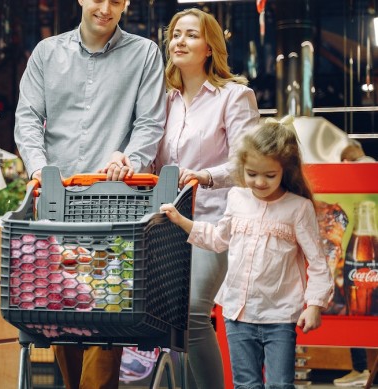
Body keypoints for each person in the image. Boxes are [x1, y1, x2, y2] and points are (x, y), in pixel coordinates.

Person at [14, 0, 167, 387]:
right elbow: (28, 117)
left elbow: (150, 123)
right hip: (55, 204)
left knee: (105, 313)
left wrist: (129, 160)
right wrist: (37, 167)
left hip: (115, 206)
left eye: (116, 1)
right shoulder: (48, 53)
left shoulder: (144, 54)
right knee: (61, 314)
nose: (106, 8)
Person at [160, 117, 334, 389]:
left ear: (285, 170)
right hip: (237, 316)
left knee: (279, 385)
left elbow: (318, 263)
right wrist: (183, 222)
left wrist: (314, 305)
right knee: (246, 385)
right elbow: (219, 239)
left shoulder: (298, 208)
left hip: (280, 316)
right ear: (242, 168)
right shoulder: (237, 198)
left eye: (270, 175)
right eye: (252, 174)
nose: (260, 182)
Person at [153, 8, 260, 389]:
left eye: (191, 35)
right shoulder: (162, 100)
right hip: (165, 222)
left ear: (210, 47)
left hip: (215, 221)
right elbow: (151, 155)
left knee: (194, 313)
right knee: (166, 319)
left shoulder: (235, 96)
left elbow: (249, 163)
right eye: (175, 34)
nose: (180, 41)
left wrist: (206, 176)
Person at [333, 141, 373, 387]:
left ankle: (360, 368)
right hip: (367, 252)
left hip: (360, 254)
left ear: (345, 162)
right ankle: (362, 368)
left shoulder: (353, 176)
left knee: (355, 304)